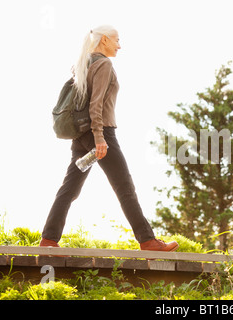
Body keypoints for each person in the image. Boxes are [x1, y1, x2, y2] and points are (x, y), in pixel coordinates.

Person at [40, 25, 178, 252]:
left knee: (70, 187)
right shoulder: (103, 64)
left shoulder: (83, 64)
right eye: (117, 40)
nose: (119, 45)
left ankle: (48, 239)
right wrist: (100, 138)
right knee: (124, 186)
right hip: (100, 133)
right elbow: (95, 104)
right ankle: (147, 241)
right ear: (104, 40)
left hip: (81, 134)